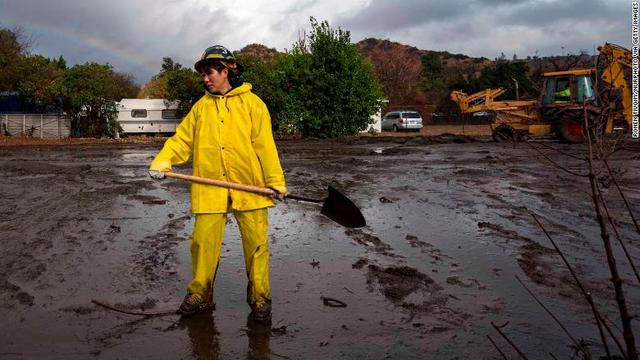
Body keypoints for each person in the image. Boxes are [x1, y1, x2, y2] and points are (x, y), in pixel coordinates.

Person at [148, 45, 287, 321]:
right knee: (202, 242)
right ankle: (200, 294)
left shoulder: (253, 104)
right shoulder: (200, 109)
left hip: (250, 186)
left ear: (226, 71)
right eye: (203, 74)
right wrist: (163, 161)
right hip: (210, 187)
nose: (206, 78)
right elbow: (182, 140)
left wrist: (275, 181)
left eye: (210, 72)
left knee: (257, 245)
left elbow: (265, 146)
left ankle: (260, 299)